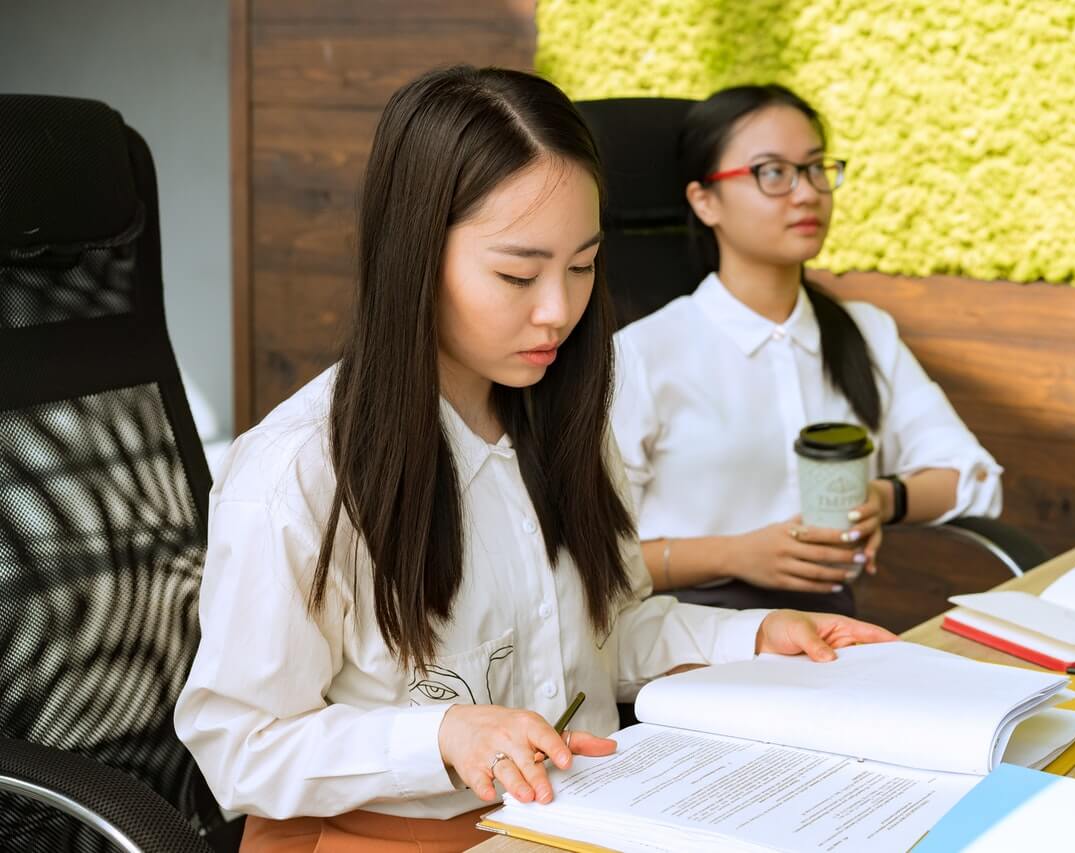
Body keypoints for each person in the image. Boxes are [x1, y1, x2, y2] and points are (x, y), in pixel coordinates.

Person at [173, 66, 896, 853]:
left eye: (582, 266)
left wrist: (752, 637)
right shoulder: (300, 470)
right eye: (517, 274)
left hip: (575, 817)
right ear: (415, 256)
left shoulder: (563, 413)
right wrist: (442, 735)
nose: (559, 310)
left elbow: (604, 633)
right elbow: (238, 747)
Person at [611, 83, 1003, 617]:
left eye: (816, 168)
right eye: (772, 173)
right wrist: (737, 555)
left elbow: (973, 478)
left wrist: (883, 500)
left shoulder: (864, 333)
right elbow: (591, 562)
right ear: (704, 200)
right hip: (680, 641)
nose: (806, 193)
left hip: (830, 636)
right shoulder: (643, 354)